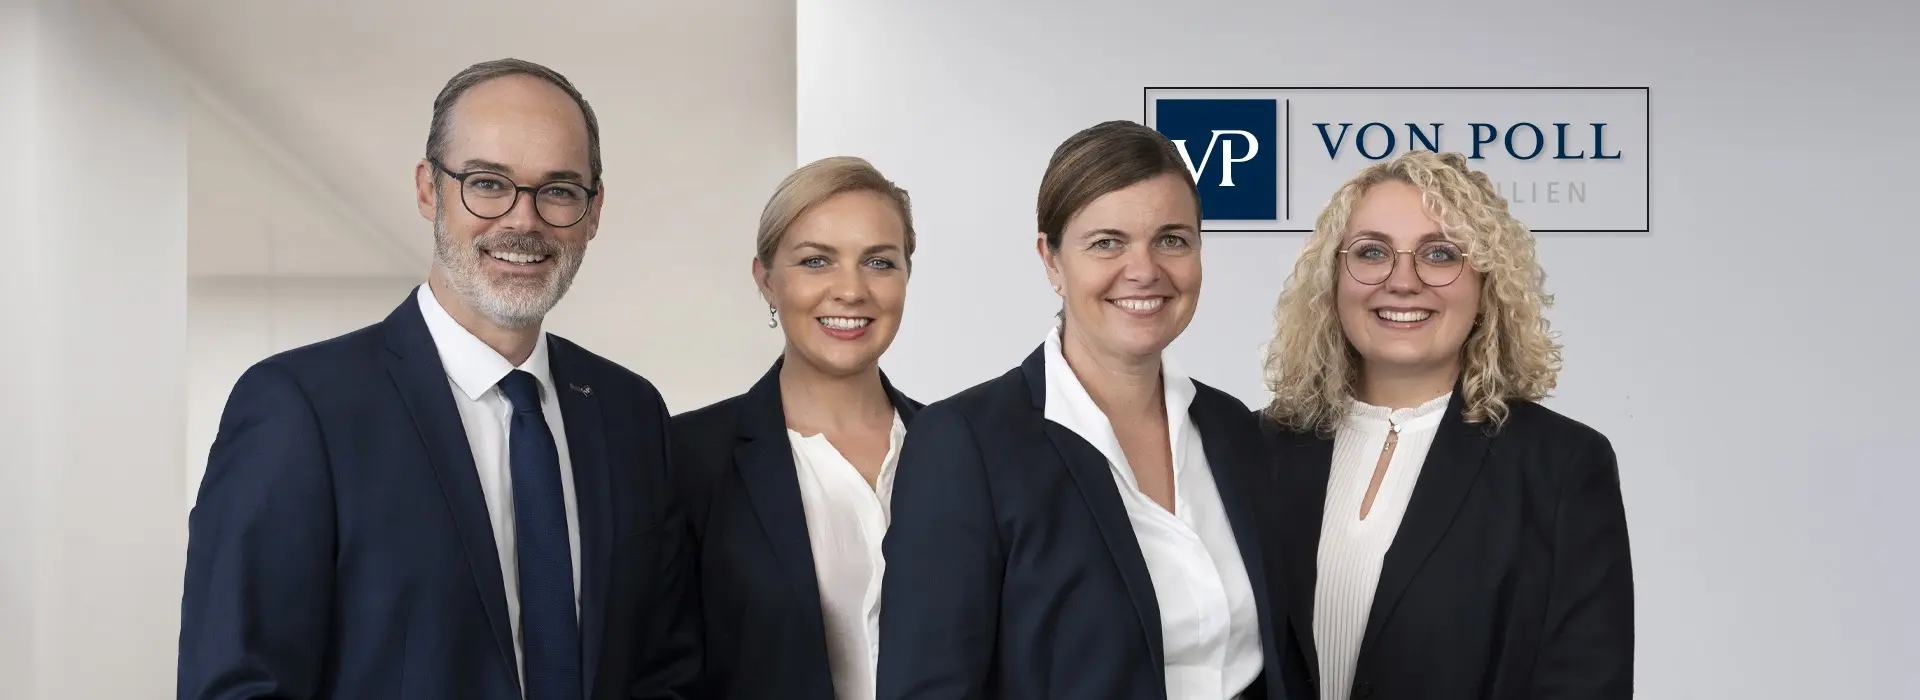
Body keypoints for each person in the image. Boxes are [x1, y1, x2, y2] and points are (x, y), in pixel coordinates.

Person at [177, 58, 699, 700]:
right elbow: (238, 685)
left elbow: (666, 672)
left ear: (593, 213)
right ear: (429, 189)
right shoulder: (300, 408)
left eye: (559, 191)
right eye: (488, 183)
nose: (524, 221)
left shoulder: (630, 413)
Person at [874, 120, 1313, 700]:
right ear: (1051, 260)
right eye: (1107, 242)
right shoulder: (965, 444)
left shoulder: (1234, 429)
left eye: (1172, 240)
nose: (1144, 270)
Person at [1257, 150, 1634, 700]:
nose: (1402, 281)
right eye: (1371, 252)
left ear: (1486, 285)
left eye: (1440, 254)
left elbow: (1585, 684)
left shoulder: (1560, 466)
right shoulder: (1250, 450)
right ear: (1332, 281)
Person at [672, 156, 923, 700]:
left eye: (879, 262)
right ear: (766, 281)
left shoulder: (963, 450)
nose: (851, 290)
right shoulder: (686, 459)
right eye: (816, 261)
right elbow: (660, 674)